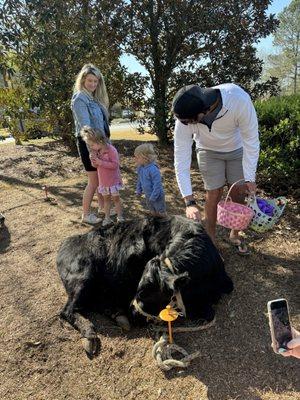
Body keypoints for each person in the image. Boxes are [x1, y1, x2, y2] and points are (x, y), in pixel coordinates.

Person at [172, 83, 259, 255]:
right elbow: (181, 157)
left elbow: (251, 141)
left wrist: (250, 178)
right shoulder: (185, 117)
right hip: (207, 150)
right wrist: (189, 202)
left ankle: (235, 234)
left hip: (236, 147)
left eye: (189, 122)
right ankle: (210, 241)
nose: (185, 125)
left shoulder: (238, 100)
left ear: (204, 112)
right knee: (213, 192)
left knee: (238, 192)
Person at [71, 63, 111, 225]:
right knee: (94, 181)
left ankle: (102, 208)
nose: (93, 84)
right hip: (89, 144)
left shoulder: (93, 98)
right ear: (82, 81)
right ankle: (86, 215)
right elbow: (86, 128)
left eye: (96, 81)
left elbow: (101, 124)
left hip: (100, 143)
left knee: (101, 179)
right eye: (90, 81)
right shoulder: (80, 98)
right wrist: (93, 152)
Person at [81, 126, 124, 226]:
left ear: (99, 141)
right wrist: (93, 160)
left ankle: (120, 216)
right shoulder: (96, 151)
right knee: (106, 200)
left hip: (113, 180)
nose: (90, 147)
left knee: (116, 199)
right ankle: (107, 218)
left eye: (91, 145)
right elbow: (95, 166)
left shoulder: (111, 150)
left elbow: (115, 165)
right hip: (103, 182)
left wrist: (100, 162)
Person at [134, 143, 166, 217]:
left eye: (137, 157)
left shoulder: (153, 169)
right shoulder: (140, 168)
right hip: (148, 195)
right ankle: (155, 223)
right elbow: (140, 179)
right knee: (152, 210)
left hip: (157, 195)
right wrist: (139, 190)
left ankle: (165, 224)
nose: (135, 159)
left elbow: (157, 185)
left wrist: (153, 197)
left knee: (160, 212)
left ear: (145, 158)